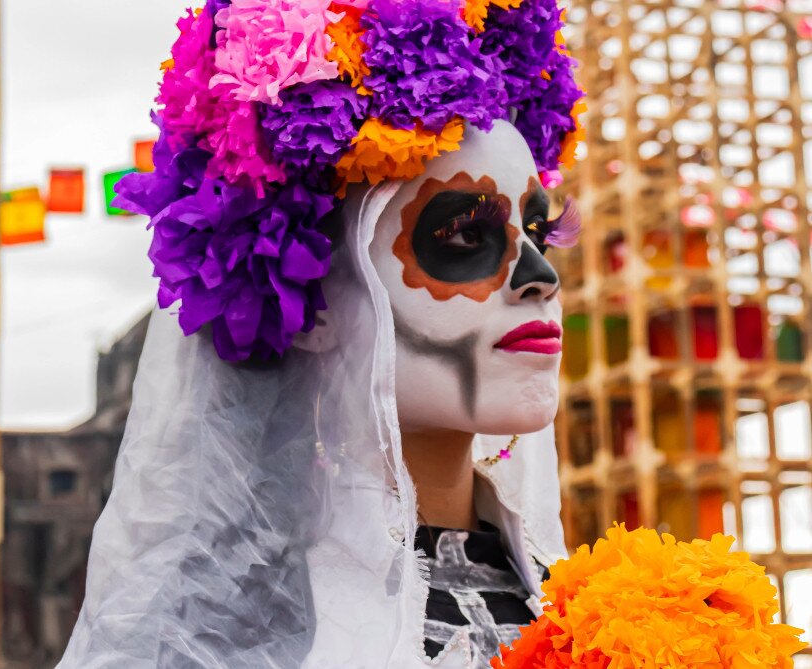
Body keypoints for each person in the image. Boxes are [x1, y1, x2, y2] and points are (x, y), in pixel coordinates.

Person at [60, 0, 585, 667]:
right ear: (316, 302)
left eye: (537, 232)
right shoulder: (235, 626)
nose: (538, 277)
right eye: (462, 234)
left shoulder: (589, 607)